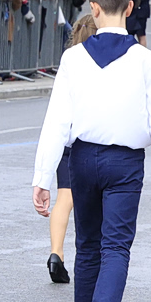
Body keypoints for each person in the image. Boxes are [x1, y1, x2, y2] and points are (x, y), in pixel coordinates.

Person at [32, 0, 151, 302]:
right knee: (115, 246)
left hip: (82, 158)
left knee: (86, 246)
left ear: (93, 7)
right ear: (131, 9)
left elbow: (56, 122)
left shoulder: (72, 58)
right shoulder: (144, 59)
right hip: (125, 161)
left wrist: (42, 176)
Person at [46, 14, 97, 287]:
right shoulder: (102, 66)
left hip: (65, 140)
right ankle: (93, 256)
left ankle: (56, 253)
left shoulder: (70, 63)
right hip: (88, 141)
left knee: (64, 198)